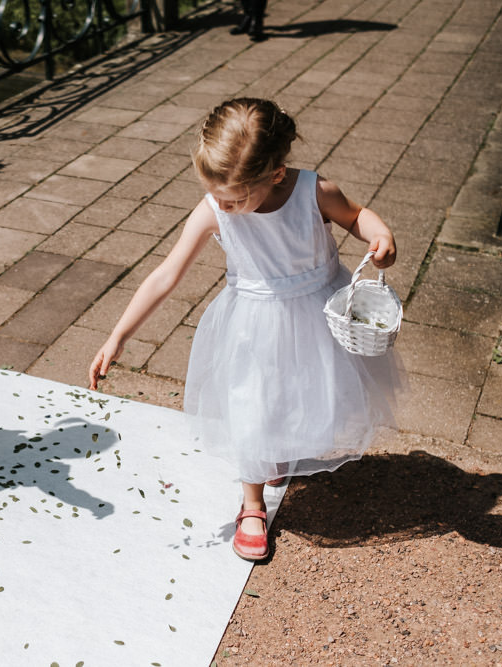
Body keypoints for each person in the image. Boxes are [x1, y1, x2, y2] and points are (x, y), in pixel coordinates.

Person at [88, 98, 401, 561]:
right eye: (217, 195)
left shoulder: (313, 191)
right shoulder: (215, 207)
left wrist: (381, 237)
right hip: (254, 324)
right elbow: (165, 274)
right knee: (252, 402)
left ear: (275, 174)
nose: (226, 206)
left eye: (236, 197)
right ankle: (251, 505)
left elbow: (357, 217)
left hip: (318, 311)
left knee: (301, 391)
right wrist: (117, 336)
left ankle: (276, 452)